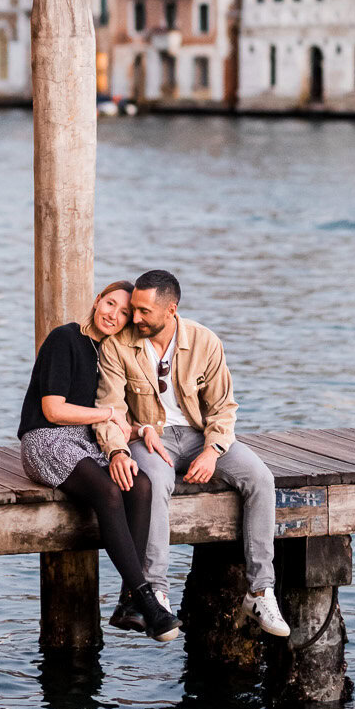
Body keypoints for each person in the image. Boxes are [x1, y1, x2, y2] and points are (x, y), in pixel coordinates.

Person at [93, 269, 290, 638]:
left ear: (171, 310)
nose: (134, 318)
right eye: (132, 309)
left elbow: (223, 408)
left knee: (261, 478)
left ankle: (261, 591)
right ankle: (156, 592)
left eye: (143, 312)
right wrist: (118, 450)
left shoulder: (205, 341)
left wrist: (213, 451)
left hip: (202, 437)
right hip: (151, 438)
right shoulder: (117, 345)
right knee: (155, 482)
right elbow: (110, 409)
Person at [17, 280, 180, 643]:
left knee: (140, 486)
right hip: (45, 440)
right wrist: (108, 413)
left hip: (87, 441)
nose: (114, 315)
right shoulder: (65, 339)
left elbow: (115, 419)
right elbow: (53, 410)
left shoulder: (111, 352)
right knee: (108, 491)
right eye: (110, 304)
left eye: (124, 313)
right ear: (96, 301)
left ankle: (126, 604)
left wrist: (141, 431)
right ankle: (146, 599)